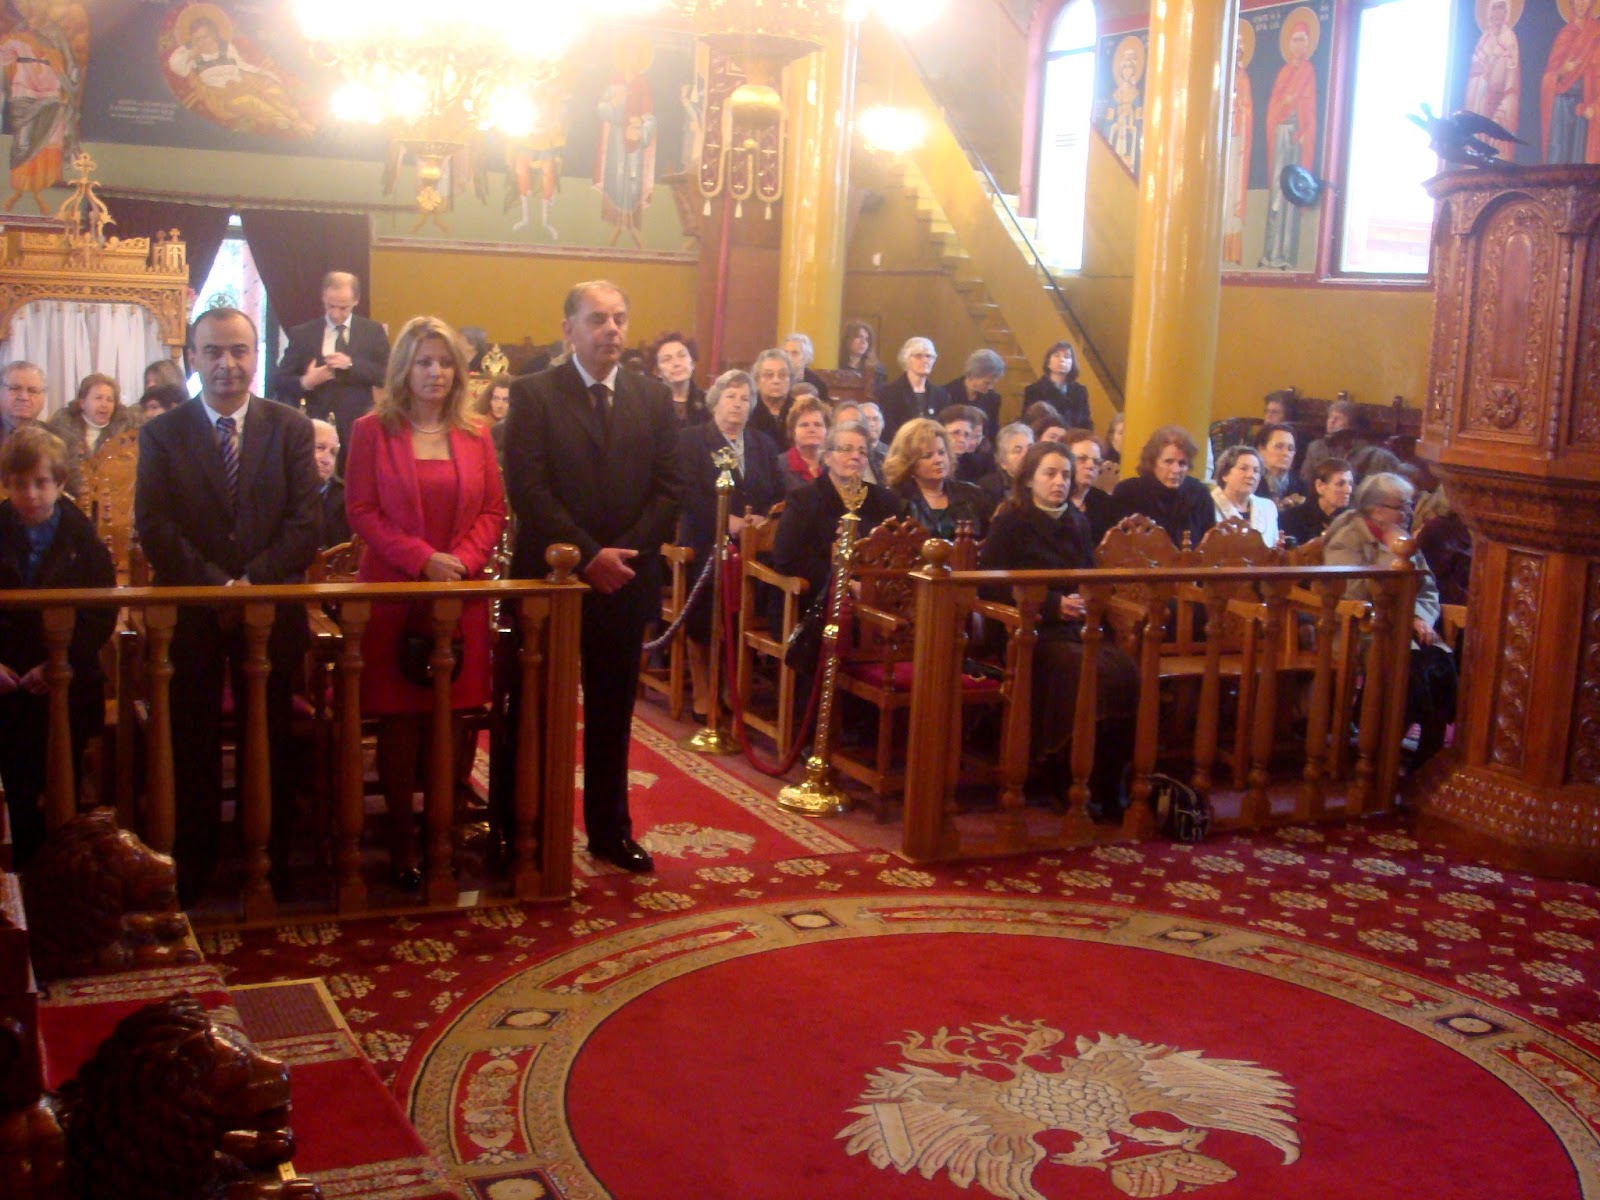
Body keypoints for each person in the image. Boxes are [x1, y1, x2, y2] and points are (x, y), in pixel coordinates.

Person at [134, 306, 321, 905]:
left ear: (255, 355)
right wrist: (218, 584)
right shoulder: (162, 433)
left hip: (271, 608)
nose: (227, 364)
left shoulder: (290, 427)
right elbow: (155, 526)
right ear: (192, 357)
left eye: (239, 350)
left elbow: (306, 522)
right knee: (190, 738)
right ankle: (193, 862)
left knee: (269, 735)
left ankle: (268, 858)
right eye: (213, 351)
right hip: (191, 611)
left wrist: (251, 582)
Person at [503, 281, 680, 874]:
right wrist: (587, 555)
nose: (612, 330)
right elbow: (528, 489)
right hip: (551, 580)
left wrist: (619, 558)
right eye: (598, 319)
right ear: (568, 329)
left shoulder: (653, 397)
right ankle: (521, 828)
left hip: (625, 580)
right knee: (534, 711)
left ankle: (610, 831)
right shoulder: (534, 393)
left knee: (611, 713)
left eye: (620, 318)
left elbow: (669, 489)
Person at [344, 316, 505, 891]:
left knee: (453, 720)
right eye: (424, 362)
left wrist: (459, 562)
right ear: (403, 369)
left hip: (459, 596)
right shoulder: (371, 430)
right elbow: (361, 510)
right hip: (395, 594)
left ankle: (445, 828)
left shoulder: (477, 432)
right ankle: (402, 838)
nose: (435, 372)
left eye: (445, 362)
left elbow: (492, 510)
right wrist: (422, 560)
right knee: (400, 722)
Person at [979, 441, 1139, 820]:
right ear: (1029, 479)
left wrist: (1086, 599)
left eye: (1065, 474)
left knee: (1123, 670)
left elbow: (1089, 574)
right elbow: (990, 586)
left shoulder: (1077, 522)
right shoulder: (1010, 522)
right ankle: (1063, 773)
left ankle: (1107, 780)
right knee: (1075, 669)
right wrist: (1052, 605)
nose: (1059, 482)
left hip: (1077, 628)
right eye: (1049, 473)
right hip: (1029, 631)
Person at [0, 426, 115, 866]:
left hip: (65, 679)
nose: (30, 494)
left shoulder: (82, 540)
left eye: (41, 482)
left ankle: (62, 870)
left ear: (60, 483)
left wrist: (59, 665)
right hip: (7, 679)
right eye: (19, 483)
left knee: (61, 780)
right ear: (7, 483)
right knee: (16, 783)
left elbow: (99, 614)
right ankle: (21, 870)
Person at [1323, 472, 1457, 768]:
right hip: (1358, 628)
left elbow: (1427, 589)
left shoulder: (1404, 539)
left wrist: (1419, 617)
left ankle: (1427, 754)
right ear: (1376, 509)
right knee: (1408, 669)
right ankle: (1378, 748)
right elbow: (1351, 594)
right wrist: (1404, 616)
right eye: (1402, 506)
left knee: (1441, 662)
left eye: (1409, 505)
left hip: (1404, 629)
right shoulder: (1348, 536)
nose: (1409, 512)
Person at [676, 369, 782, 721]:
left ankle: (733, 685)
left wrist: (763, 519)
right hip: (705, 539)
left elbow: (777, 492)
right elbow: (687, 494)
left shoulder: (764, 444)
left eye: (745, 398)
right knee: (708, 594)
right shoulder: (692, 440)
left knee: (768, 586)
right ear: (715, 401)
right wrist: (727, 522)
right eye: (731, 396)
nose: (738, 404)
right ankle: (703, 688)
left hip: (754, 545)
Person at [773, 420, 906, 611]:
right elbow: (788, 557)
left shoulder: (886, 501)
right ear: (827, 457)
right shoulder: (803, 499)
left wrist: (872, 585)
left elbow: (896, 553)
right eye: (846, 449)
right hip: (813, 598)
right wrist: (844, 583)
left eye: (862, 452)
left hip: (874, 597)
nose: (855, 456)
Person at [272, 271, 390, 467]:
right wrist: (305, 382)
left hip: (356, 426)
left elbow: (386, 375)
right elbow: (279, 380)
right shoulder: (303, 333)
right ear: (323, 298)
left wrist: (351, 364)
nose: (335, 314)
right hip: (314, 428)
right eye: (330, 306)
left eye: (343, 308)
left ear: (356, 300)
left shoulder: (373, 332)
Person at [1259, 12, 1318, 269]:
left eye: (1302, 39)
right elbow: (1275, 103)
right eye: (1294, 40)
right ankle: (1270, 253)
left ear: (1308, 43)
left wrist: (1302, 130)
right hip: (1280, 134)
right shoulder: (1284, 72)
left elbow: (1309, 107)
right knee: (1276, 191)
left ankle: (1285, 253)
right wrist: (1283, 105)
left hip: (1296, 138)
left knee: (1291, 193)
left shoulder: (1308, 71)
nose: (1298, 45)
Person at [883, 417, 991, 540]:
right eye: (928, 456)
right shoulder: (895, 499)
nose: (938, 460)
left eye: (941, 452)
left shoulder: (972, 494)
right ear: (908, 462)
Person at [1112, 425, 1215, 549]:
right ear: (1153, 462)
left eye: (1182, 463)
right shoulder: (1128, 492)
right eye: (1168, 461)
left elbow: (1211, 546)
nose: (1176, 470)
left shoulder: (1199, 494)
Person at [47, 372, 134, 498]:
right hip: (69, 497)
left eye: (110, 400)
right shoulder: (62, 428)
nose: (104, 404)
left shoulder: (126, 430)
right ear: (82, 402)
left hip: (112, 499)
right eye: (98, 398)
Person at [1540, 0, 1600, 164]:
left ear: (1591, 4)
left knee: (1579, 156)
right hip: (1561, 106)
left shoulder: (1596, 33)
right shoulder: (1564, 34)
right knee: (1558, 153)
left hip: (1584, 103)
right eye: (1577, 0)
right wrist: (1563, 70)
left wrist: (1595, 106)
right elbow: (1548, 78)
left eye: (1585, 0)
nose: (1581, 4)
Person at [1465, 0, 1520, 162]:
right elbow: (1475, 68)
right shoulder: (1484, 39)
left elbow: (1511, 71)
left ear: (1506, 13)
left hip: (1500, 96)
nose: (1497, 13)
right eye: (1494, 9)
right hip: (1482, 99)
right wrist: (1482, 75)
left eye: (1501, 9)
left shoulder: (1509, 38)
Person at [876, 337, 949, 442]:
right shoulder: (888, 393)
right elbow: (888, 430)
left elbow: (945, 427)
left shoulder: (941, 395)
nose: (925, 360)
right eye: (918, 356)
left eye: (929, 356)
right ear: (906, 359)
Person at [1209, 444, 1280, 545]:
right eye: (1243, 468)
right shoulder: (1208, 505)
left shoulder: (1268, 507)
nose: (1251, 475)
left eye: (1256, 471)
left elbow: (1274, 545)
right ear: (1225, 474)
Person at [1279, 457, 1353, 547]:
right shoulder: (1291, 519)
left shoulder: (1353, 521)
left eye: (1350, 483)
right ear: (1320, 486)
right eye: (1340, 484)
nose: (1348, 490)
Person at [1064, 427, 1116, 546]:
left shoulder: (1105, 503)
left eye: (1096, 461)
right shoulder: (1055, 500)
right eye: (1082, 459)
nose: (1091, 466)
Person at [1022, 341, 1091, 430]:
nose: (1062, 359)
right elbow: (1028, 423)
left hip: (1073, 436)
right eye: (1056, 355)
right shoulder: (1034, 390)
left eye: (1067, 357)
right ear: (1048, 362)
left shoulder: (1080, 391)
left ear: (1072, 363)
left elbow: (1086, 423)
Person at [944, 348, 1005, 440]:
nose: (991, 387)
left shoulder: (993, 398)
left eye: (993, 383)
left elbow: (992, 431)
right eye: (987, 383)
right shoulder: (946, 393)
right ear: (971, 376)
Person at [650, 331, 708, 426]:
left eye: (682, 356)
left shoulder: (708, 403)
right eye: (667, 359)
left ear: (692, 363)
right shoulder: (648, 405)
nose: (676, 363)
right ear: (657, 371)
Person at [976, 421, 1033, 515]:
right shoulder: (988, 488)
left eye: (1030, 448)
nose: (1026, 454)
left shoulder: (1043, 481)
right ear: (1003, 462)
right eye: (1017, 450)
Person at [1300, 399, 1363, 484]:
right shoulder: (1315, 447)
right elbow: (1305, 479)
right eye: (1330, 417)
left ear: (1350, 424)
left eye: (1338, 418)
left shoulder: (1361, 450)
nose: (1332, 421)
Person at [310, 419, 349, 548]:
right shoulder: (276, 493)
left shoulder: (347, 500)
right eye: (319, 448)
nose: (327, 460)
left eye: (333, 453)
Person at [779, 395, 830, 494]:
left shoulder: (834, 465)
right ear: (793, 431)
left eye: (817, 424)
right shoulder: (778, 466)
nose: (811, 429)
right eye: (804, 425)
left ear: (827, 430)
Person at [747, 347, 795, 449]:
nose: (776, 381)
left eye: (782, 375)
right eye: (769, 375)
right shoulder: (748, 410)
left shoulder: (798, 411)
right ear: (757, 380)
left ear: (790, 379)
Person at [1252, 421, 1304, 507]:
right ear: (1261, 449)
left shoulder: (1302, 487)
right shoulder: (1251, 483)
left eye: (1290, 449)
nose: (1286, 453)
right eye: (1279, 446)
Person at [941, 404, 994, 483]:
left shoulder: (976, 465)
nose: (962, 440)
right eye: (955, 433)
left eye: (967, 434)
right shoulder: (932, 461)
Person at [1, 361, 47, 445]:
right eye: (14, 388)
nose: (24, 397)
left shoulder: (63, 440)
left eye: (32, 391)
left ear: (43, 397)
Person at [781, 332, 831, 407]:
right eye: (785, 353)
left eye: (794, 353)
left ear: (806, 357)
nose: (788, 357)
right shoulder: (776, 379)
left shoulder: (817, 384)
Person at [839, 319, 887, 389]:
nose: (863, 342)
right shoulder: (835, 364)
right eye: (859, 337)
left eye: (867, 339)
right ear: (848, 339)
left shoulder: (876, 370)